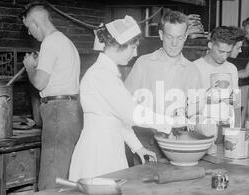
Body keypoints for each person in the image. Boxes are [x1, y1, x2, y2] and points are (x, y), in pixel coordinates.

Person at [69, 16, 182, 181]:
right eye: (133, 47)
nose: (135, 53)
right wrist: (170, 122)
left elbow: (118, 120)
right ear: (118, 45)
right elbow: (132, 114)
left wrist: (138, 148)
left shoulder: (108, 73)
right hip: (98, 153)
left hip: (109, 148)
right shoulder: (101, 75)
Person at [124, 10, 203, 163]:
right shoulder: (143, 63)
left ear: (185, 37)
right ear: (161, 35)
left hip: (176, 140)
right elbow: (126, 104)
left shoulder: (192, 70)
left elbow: (195, 110)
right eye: (169, 37)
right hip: (146, 139)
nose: (174, 43)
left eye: (180, 37)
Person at [22, 4, 83, 190]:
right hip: (71, 111)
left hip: (58, 113)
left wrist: (30, 67)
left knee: (51, 176)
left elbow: (39, 83)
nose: (30, 33)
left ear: (35, 23)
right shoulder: (65, 41)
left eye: (28, 28)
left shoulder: (49, 42)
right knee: (65, 176)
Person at [193, 27, 242, 127]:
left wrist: (237, 129)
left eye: (228, 52)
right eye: (221, 51)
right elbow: (188, 107)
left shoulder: (231, 68)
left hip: (226, 126)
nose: (224, 57)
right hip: (202, 127)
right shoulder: (194, 68)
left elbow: (237, 104)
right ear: (210, 45)